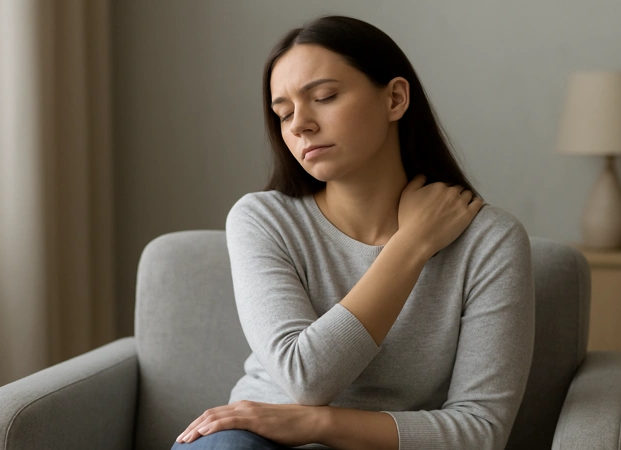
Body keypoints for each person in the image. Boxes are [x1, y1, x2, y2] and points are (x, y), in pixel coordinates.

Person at [173, 14, 534, 450]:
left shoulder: (490, 241)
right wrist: (412, 244)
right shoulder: (262, 219)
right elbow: (305, 378)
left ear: (395, 99)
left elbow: (480, 431)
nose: (299, 124)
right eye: (284, 113)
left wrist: (319, 425)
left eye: (324, 97)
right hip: (255, 442)